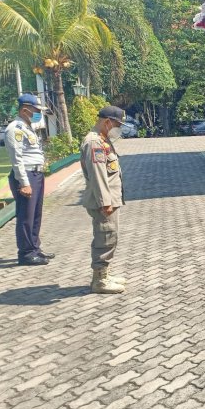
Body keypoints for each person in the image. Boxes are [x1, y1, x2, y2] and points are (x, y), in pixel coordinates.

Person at [80, 106, 127, 294]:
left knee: (109, 236)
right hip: (104, 201)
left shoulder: (102, 139)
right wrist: (104, 202)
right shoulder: (95, 143)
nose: (118, 128)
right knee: (105, 237)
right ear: (107, 121)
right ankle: (99, 280)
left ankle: (104, 274)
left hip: (109, 199)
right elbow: (98, 175)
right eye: (117, 124)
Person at [4, 93, 53, 266]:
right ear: (25, 110)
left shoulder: (27, 127)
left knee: (36, 214)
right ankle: (26, 253)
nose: (38, 113)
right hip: (26, 175)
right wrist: (24, 182)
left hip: (36, 175)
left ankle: (34, 248)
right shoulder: (14, 129)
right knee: (26, 215)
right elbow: (16, 158)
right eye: (36, 110)